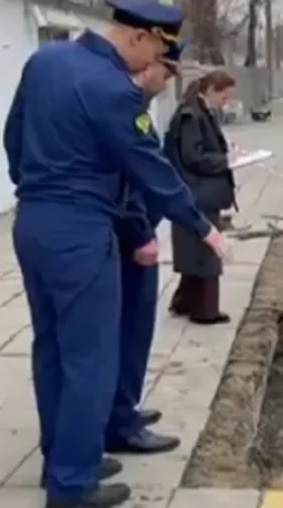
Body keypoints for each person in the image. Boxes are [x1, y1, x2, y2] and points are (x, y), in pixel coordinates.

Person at [4, 0, 224, 508]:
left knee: (53, 350)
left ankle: (59, 460)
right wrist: (200, 224)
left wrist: (35, 186)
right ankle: (73, 485)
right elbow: (149, 166)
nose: (150, 66)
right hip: (79, 231)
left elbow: (14, 138)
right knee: (91, 360)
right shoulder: (110, 89)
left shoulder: (45, 62)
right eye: (154, 53)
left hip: (32, 221)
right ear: (140, 37)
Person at [104, 41, 186, 456]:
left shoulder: (132, 107)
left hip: (135, 235)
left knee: (135, 330)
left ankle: (122, 408)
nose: (169, 82)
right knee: (130, 331)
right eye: (166, 72)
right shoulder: (123, 107)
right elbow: (126, 179)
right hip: (131, 242)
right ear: (147, 64)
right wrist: (140, 234)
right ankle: (120, 421)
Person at [163, 70, 238, 325]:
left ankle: (184, 301)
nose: (226, 102)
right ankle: (205, 311)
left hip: (196, 191)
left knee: (193, 250)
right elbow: (192, 157)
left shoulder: (195, 110)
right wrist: (225, 161)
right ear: (212, 91)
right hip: (198, 191)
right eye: (224, 96)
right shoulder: (191, 115)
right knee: (207, 252)